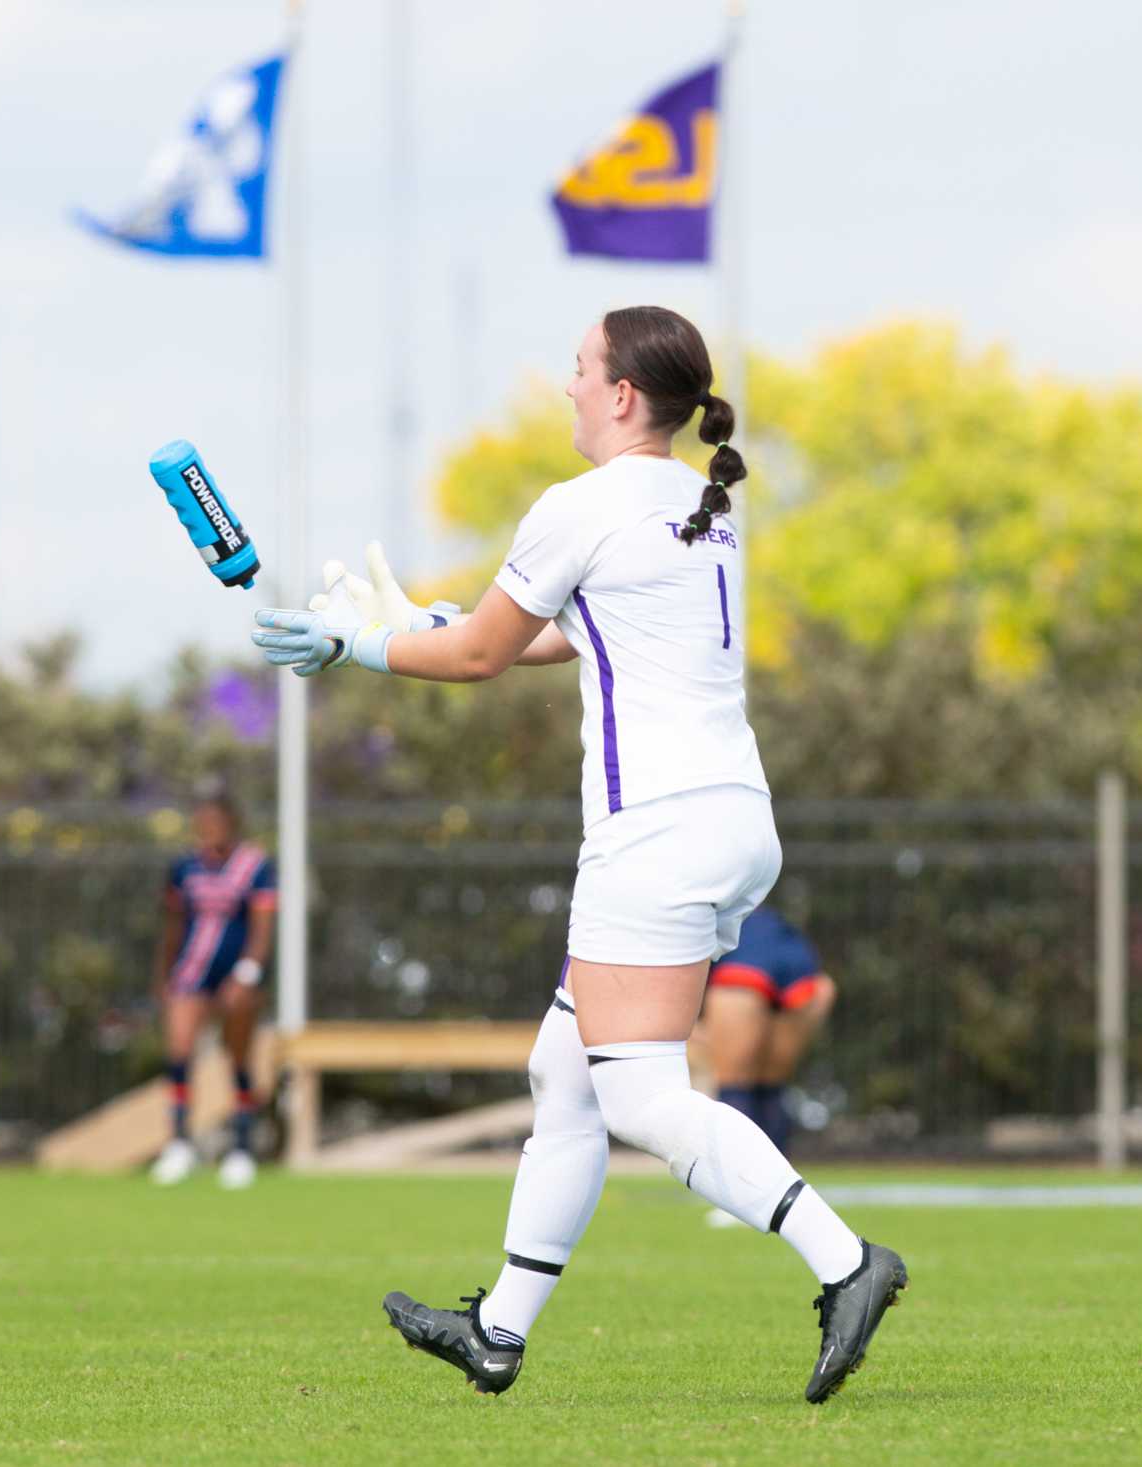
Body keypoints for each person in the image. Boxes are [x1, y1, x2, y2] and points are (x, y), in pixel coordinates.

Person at [252, 306, 906, 1403]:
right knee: (565, 1077)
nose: (564, 387)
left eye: (575, 369)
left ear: (617, 396)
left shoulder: (581, 504)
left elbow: (476, 658)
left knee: (641, 1097)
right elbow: (559, 634)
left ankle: (846, 1262)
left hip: (652, 832)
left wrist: (355, 642)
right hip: (729, 820)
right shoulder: (703, 504)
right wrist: (429, 619)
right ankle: (497, 1332)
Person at [148, 792, 276, 1189]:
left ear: (230, 822)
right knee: (179, 1051)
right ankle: (180, 1144)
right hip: (191, 972)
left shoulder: (255, 865)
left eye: (214, 822)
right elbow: (173, 925)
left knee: (237, 1057)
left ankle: (241, 1147)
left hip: (237, 973)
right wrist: (163, 976)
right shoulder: (184, 867)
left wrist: (249, 972)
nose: (207, 830)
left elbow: (262, 925)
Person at [700, 907, 838, 1227]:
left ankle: (741, 1197)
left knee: (734, 1082)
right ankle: (783, 1197)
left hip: (742, 956)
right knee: (770, 1082)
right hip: (798, 960)